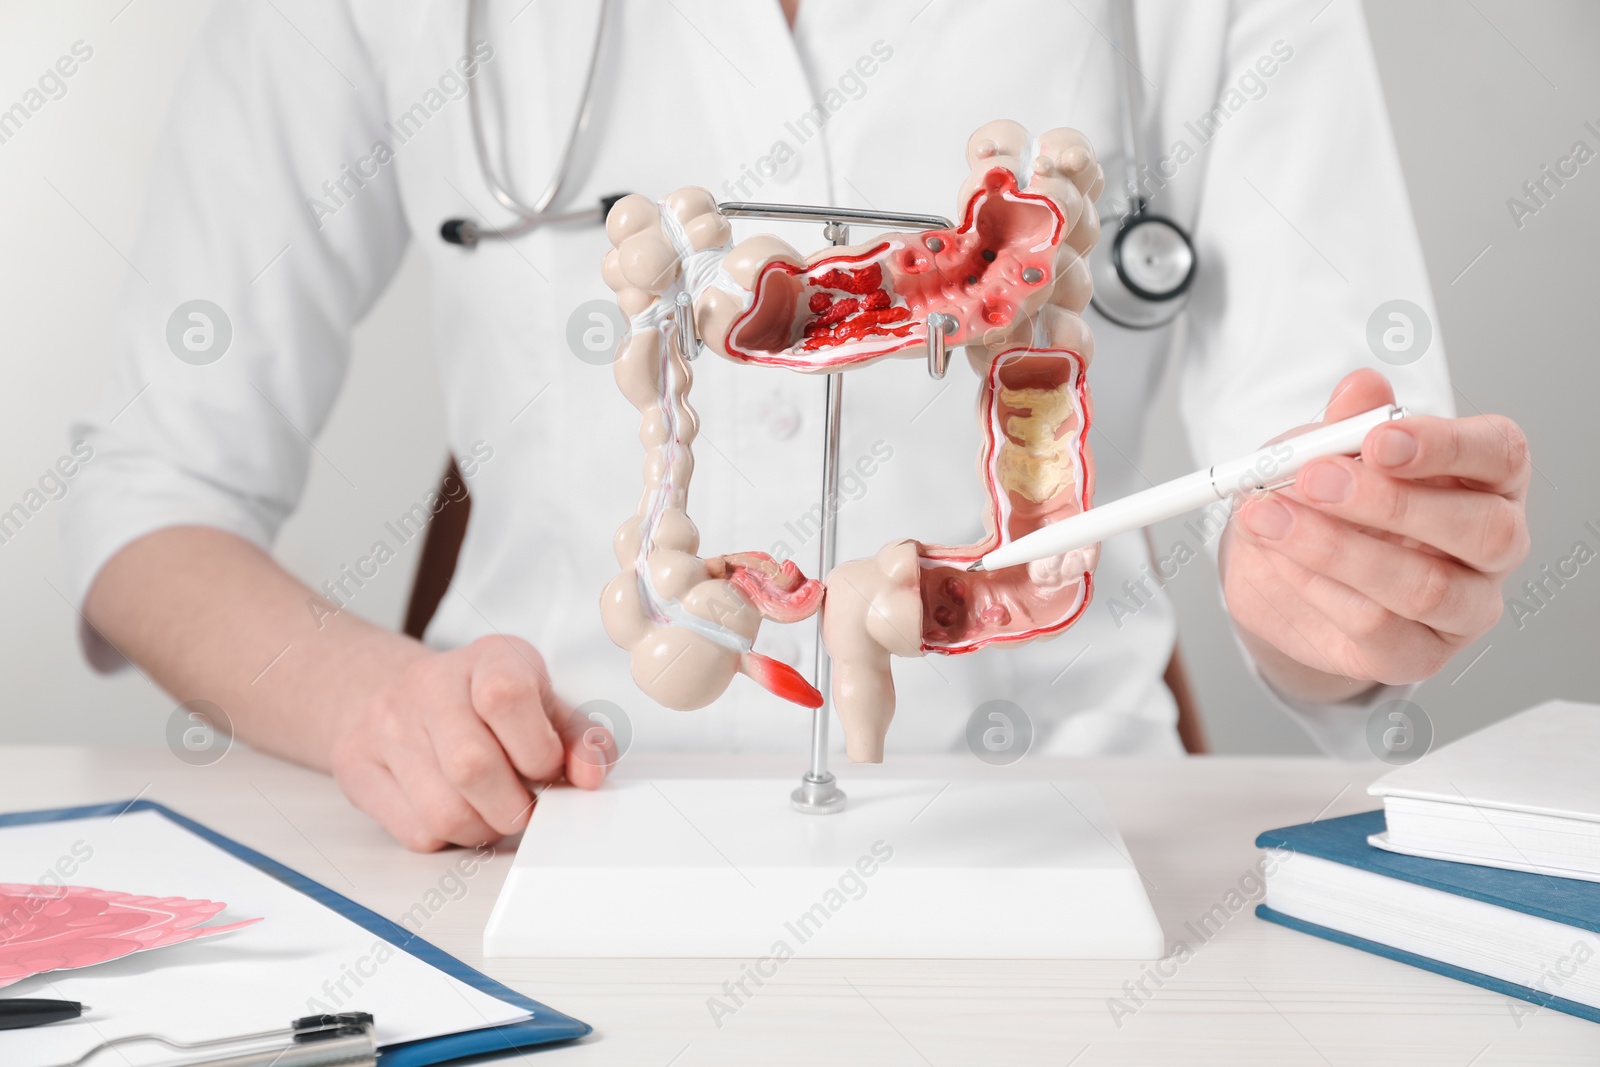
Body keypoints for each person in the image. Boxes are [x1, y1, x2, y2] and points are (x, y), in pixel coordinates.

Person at [63, 0, 1530, 851]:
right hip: (532, 838)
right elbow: (147, 497)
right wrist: (364, 703)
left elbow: (1320, 487)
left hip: (1063, 847)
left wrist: (1345, 587)